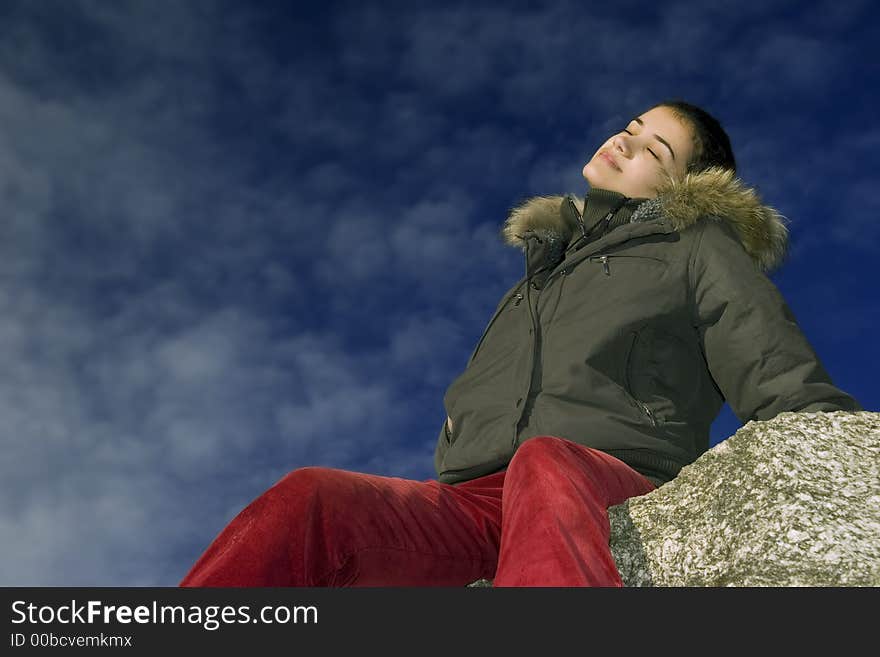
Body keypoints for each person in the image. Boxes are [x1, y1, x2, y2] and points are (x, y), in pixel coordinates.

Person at [179, 100, 862, 587]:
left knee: (545, 461)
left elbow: (764, 348)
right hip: (478, 502)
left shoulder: (694, 246)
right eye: (630, 128)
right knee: (312, 499)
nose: (624, 142)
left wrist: (834, 452)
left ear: (684, 185)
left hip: (607, 478)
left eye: (654, 148)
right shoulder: (539, 278)